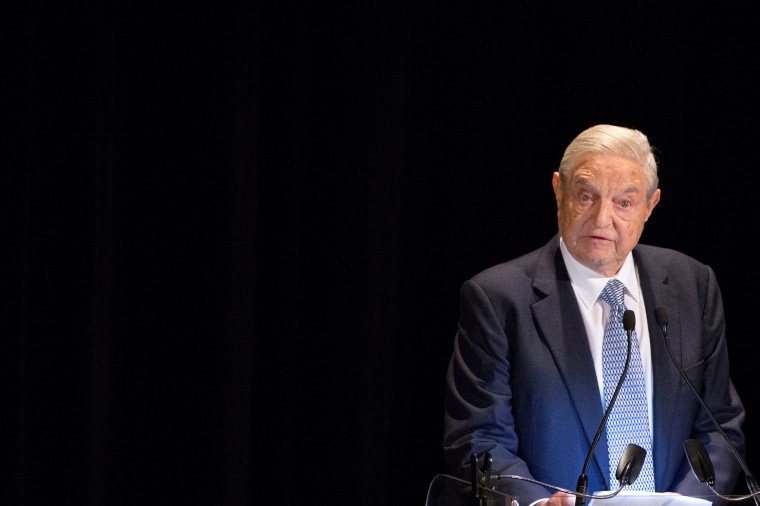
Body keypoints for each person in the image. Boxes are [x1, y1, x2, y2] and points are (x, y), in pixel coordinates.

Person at [442, 124, 746, 506]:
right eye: (586, 196)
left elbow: (720, 426)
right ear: (559, 190)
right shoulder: (498, 298)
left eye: (624, 203)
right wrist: (536, 503)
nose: (603, 219)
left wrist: (687, 502)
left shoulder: (693, 286)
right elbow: (479, 438)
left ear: (651, 205)